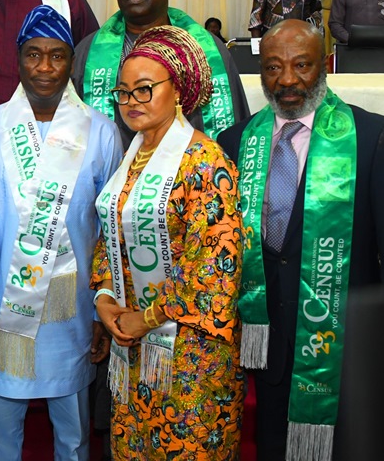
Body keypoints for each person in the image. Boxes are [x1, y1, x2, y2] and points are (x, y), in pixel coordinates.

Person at [217, 19, 384, 461]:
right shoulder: (235, 143)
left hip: (344, 346)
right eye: (272, 67)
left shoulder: (373, 138)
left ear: (323, 65)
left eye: (301, 65)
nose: (286, 80)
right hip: (267, 347)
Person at [91, 25, 245, 459]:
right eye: (123, 92)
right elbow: (109, 238)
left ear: (177, 90)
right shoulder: (132, 157)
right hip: (133, 346)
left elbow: (217, 271)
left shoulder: (205, 163)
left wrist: (150, 316)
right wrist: (104, 297)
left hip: (189, 356)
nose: (131, 103)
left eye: (144, 90)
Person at [0, 6, 120, 461]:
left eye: (57, 56)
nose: (44, 67)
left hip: (71, 307)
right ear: (18, 59)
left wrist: (103, 308)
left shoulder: (100, 132)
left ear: (70, 63)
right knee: (2, 431)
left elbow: (110, 231)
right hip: (4, 305)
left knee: (74, 433)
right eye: (34, 55)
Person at [72, 0, 249, 145]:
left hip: (189, 172)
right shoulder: (89, 51)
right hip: (114, 173)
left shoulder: (206, 51)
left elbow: (233, 131)